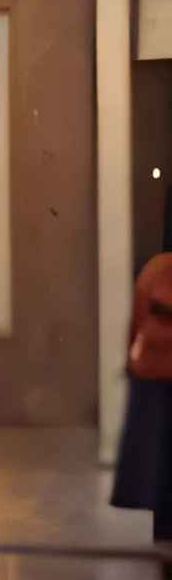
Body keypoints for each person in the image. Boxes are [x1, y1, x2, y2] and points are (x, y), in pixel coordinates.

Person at [114, 195, 172, 542]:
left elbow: (135, 324)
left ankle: (162, 537)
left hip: (155, 379)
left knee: (159, 462)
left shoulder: (154, 269)